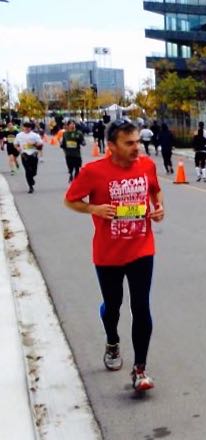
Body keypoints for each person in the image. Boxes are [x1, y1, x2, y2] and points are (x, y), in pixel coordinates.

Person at [64, 119, 165, 392]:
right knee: (113, 306)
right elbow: (70, 200)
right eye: (129, 143)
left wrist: (159, 209)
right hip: (108, 253)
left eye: (137, 141)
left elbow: (155, 191)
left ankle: (140, 369)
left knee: (141, 306)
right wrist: (94, 210)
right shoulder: (93, 171)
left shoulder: (146, 166)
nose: (137, 147)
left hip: (141, 248)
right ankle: (112, 339)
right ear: (112, 147)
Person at [14, 122, 43, 193]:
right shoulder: (19, 135)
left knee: (34, 171)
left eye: (28, 127)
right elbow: (15, 144)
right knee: (27, 170)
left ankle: (32, 178)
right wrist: (17, 148)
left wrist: (34, 144)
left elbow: (40, 144)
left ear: (31, 128)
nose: (27, 129)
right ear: (23, 127)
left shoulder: (35, 135)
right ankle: (30, 186)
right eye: (25, 127)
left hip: (33, 154)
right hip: (24, 154)